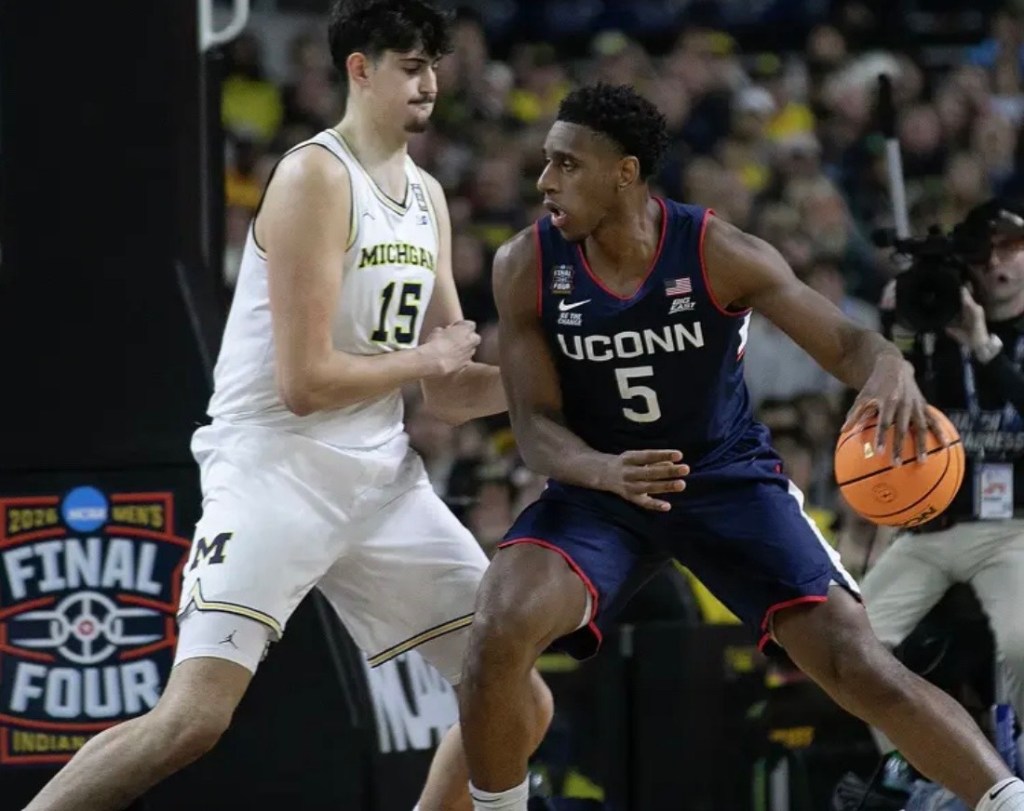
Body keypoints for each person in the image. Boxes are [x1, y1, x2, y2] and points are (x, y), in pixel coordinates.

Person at [23, 2, 550, 810]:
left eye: (435, 69)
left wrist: (557, 375)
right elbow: (306, 382)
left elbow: (448, 393)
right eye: (412, 67)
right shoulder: (315, 176)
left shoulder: (427, 196)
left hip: (379, 477)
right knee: (192, 719)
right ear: (360, 69)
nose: (430, 85)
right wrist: (425, 359)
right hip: (276, 468)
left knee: (516, 696)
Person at [457, 83, 1024, 811]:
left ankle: (1004, 799)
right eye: (546, 161)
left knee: (854, 661)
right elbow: (534, 423)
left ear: (625, 173)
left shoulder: (716, 251)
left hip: (722, 480)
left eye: (567, 163)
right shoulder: (526, 264)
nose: (544, 181)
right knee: (497, 628)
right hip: (598, 486)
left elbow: (846, 342)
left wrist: (890, 366)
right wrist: (602, 469)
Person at [863, 198, 1024, 762]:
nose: (997, 264)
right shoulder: (931, 325)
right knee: (855, 645)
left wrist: (983, 346)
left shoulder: (984, 335)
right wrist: (896, 339)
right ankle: (918, 767)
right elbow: (884, 426)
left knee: (1022, 643)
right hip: (930, 527)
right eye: (985, 253)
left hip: (1013, 528)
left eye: (1012, 249)